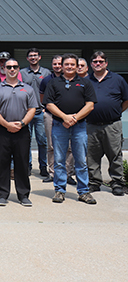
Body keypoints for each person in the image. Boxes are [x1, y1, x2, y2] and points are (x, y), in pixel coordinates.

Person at [43, 53, 97, 205]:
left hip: (79, 126)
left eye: (72, 64)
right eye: (66, 64)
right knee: (59, 159)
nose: (69, 67)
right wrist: (65, 117)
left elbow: (90, 104)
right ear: (62, 66)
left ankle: (84, 192)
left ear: (77, 66)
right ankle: (60, 190)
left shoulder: (85, 83)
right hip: (60, 126)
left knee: (80, 160)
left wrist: (74, 118)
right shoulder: (53, 83)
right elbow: (49, 104)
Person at [0, 58, 37, 206]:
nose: (12, 69)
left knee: (22, 163)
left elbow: (32, 109)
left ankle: (23, 195)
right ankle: (2, 195)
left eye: (15, 66)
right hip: (2, 131)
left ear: (18, 68)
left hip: (22, 131)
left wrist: (21, 124)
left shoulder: (28, 89)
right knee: (1, 163)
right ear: (4, 69)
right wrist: (6, 124)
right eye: (9, 67)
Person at [86, 51, 128, 196]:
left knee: (115, 154)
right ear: (91, 64)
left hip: (112, 125)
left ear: (106, 63)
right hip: (91, 125)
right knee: (91, 155)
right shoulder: (86, 80)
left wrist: (115, 112)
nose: (98, 64)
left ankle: (117, 182)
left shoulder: (117, 79)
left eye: (101, 61)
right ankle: (94, 182)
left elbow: (126, 100)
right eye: (95, 61)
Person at [39, 55, 75, 184]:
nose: (57, 66)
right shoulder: (46, 80)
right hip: (50, 115)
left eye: (60, 64)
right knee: (51, 145)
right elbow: (42, 97)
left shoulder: (71, 79)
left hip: (69, 116)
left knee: (70, 146)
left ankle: (68, 173)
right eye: (55, 64)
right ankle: (53, 173)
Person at [20, 48, 51, 177]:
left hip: (40, 112)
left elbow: (49, 90)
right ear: (27, 58)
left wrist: (46, 107)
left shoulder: (46, 72)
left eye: (35, 55)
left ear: (39, 57)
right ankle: (27, 166)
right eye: (30, 56)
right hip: (26, 113)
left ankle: (43, 166)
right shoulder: (21, 72)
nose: (33, 58)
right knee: (25, 141)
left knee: (42, 141)